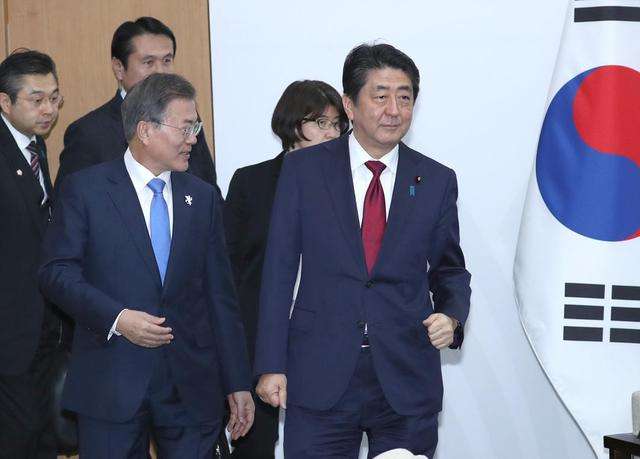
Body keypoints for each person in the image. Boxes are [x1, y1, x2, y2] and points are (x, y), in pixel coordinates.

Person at [254, 43, 471, 458]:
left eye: (404, 97)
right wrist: (270, 364)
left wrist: (452, 315)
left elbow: (449, 269)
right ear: (350, 105)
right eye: (381, 95)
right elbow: (278, 271)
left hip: (405, 376)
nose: (394, 110)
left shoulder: (436, 179)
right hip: (320, 373)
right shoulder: (304, 171)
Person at [39, 73, 254, 458]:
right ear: (145, 130)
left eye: (196, 128)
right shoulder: (86, 190)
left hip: (191, 387)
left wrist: (238, 381)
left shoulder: (202, 197)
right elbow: (57, 273)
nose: (193, 139)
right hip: (111, 382)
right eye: (186, 128)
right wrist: (118, 318)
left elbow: (221, 296)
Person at [224, 80, 349, 458]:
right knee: (255, 445)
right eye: (321, 123)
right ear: (293, 124)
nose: (332, 133)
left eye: (337, 124)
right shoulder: (251, 181)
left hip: (326, 340)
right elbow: (229, 269)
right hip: (260, 339)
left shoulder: (352, 185)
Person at [56, 16, 217, 188]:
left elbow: (208, 189)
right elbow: (73, 198)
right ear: (119, 68)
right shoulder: (89, 133)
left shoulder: (186, 120)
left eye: (167, 61)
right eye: (148, 62)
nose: (160, 71)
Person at [0, 49, 63, 459]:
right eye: (36, 99)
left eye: (54, 98)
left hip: (42, 330)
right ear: (5, 102)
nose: (49, 110)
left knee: (42, 439)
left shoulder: (34, 147)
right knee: (19, 440)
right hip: (9, 336)